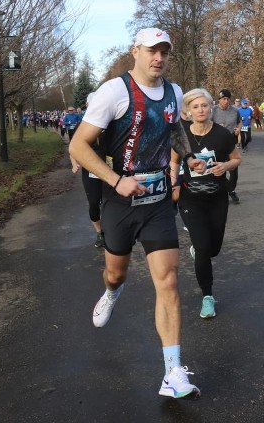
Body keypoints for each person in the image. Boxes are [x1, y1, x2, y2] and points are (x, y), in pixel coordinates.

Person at [68, 27, 206, 399]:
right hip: (121, 197)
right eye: (151, 51)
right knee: (116, 272)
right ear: (135, 51)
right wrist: (115, 180)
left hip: (158, 198)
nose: (158, 58)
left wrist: (189, 156)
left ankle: (173, 371)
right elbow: (79, 146)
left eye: (164, 51)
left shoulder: (175, 92)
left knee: (169, 280)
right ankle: (112, 292)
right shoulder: (115, 92)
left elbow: (176, 130)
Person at [175, 88, 241, 319]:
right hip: (190, 199)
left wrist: (225, 166)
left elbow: (236, 158)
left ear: (211, 107)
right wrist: (173, 185)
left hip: (217, 198)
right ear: (188, 111)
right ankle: (207, 296)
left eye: (204, 105)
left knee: (213, 248)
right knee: (204, 248)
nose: (201, 110)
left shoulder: (222, 134)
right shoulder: (182, 135)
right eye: (195, 106)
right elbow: (174, 161)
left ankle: (199, 248)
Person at [71, 93, 105, 248]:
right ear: (88, 105)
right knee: (93, 202)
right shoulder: (83, 125)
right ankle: (99, 233)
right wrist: (74, 163)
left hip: (110, 169)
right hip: (90, 170)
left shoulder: (112, 123)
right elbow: (73, 148)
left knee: (112, 201)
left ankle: (114, 231)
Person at [212, 89, 241, 204]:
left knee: (234, 170)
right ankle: (222, 191)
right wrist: (216, 127)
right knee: (219, 169)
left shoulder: (235, 111)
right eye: (224, 99)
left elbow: (239, 122)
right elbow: (205, 124)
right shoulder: (213, 111)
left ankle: (231, 190)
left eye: (228, 99)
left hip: (230, 141)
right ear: (219, 100)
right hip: (217, 142)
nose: (226, 101)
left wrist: (238, 128)